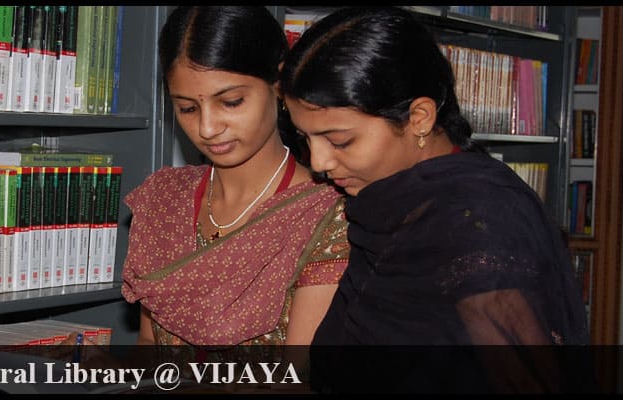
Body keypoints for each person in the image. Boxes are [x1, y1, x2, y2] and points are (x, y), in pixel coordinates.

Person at [279, 6, 592, 393]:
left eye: (340, 140)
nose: (319, 162)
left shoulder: (475, 222)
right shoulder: (391, 203)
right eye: (305, 139)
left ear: (420, 117)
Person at [120, 6, 349, 348]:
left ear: (278, 84)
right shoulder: (163, 201)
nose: (208, 128)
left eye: (231, 102)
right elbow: (148, 350)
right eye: (187, 108)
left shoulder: (326, 216)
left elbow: (297, 378)